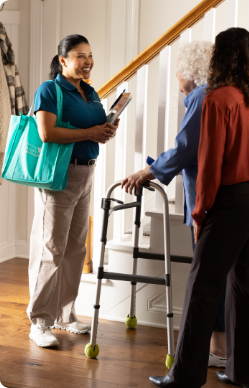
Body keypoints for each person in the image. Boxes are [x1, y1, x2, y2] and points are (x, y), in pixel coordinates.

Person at [148, 28, 249, 388]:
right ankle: (243, 373)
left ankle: (185, 377)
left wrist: (198, 214)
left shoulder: (218, 99)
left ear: (220, 57)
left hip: (234, 200)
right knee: (245, 286)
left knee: (202, 286)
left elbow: (209, 166)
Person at [122, 40, 227, 367]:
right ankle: (221, 347)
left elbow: (185, 148)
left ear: (192, 70)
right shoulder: (222, 93)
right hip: (225, 197)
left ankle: (216, 352)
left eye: (179, 69)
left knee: (207, 276)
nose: (176, 76)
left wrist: (149, 169)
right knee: (218, 275)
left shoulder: (201, 95)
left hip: (208, 200)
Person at [27, 34, 119, 348]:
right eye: (80, 56)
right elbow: (47, 132)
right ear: (63, 60)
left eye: (90, 55)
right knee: (51, 249)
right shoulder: (50, 90)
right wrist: (90, 131)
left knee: (76, 249)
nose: (87, 61)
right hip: (60, 174)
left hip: (87, 171)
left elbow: (90, 130)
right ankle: (39, 322)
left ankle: (65, 315)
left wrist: (105, 129)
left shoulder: (90, 92)